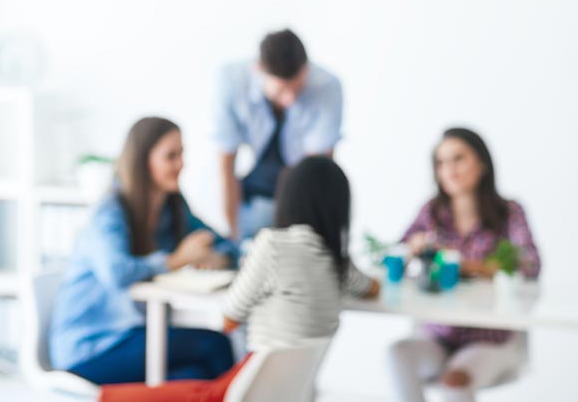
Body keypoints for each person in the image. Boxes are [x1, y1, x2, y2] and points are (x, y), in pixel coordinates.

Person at [99, 156, 380, 402]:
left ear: (289, 198)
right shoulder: (338, 263)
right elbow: (371, 287)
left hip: (252, 382)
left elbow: (230, 317)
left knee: (140, 394)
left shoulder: (272, 245)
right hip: (284, 390)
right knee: (194, 376)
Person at [49, 117, 238, 384]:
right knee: (214, 345)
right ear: (143, 162)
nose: (181, 164)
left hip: (134, 334)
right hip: (91, 347)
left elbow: (220, 242)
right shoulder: (111, 212)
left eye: (182, 154)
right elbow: (117, 273)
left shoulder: (172, 207)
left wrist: (217, 257)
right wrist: (177, 259)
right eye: (171, 156)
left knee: (195, 377)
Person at [388, 128, 542, 402]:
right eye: (441, 162)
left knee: (454, 380)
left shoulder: (509, 212)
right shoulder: (432, 212)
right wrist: (412, 249)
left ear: (481, 164)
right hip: (438, 334)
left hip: (491, 338)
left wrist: (472, 266)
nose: (449, 169)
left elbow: (530, 264)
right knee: (397, 353)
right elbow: (394, 254)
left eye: (458, 159)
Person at [214, 29, 343, 242]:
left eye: (297, 88)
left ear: (306, 70)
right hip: (253, 195)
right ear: (259, 71)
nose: (291, 100)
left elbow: (317, 173)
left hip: (299, 194)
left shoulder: (327, 86)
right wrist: (233, 239)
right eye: (281, 91)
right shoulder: (230, 81)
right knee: (255, 222)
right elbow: (226, 165)